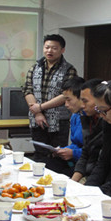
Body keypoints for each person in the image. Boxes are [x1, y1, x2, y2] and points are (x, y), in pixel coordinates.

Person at [22, 34, 77, 162]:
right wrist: (38, 113)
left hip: (59, 121)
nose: (49, 51)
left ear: (62, 50)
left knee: (57, 155)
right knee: (39, 154)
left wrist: (40, 107)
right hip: (37, 119)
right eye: (47, 47)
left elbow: (66, 95)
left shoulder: (69, 70)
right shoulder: (35, 67)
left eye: (54, 48)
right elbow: (27, 89)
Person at [46, 76, 85, 176]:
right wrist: (63, 150)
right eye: (65, 100)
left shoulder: (92, 118)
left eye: (69, 100)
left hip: (85, 162)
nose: (66, 104)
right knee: (49, 165)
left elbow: (93, 152)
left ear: (81, 98)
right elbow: (76, 143)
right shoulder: (75, 116)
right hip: (76, 158)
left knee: (62, 175)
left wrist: (73, 153)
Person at [72, 78, 105, 183]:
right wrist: (73, 182)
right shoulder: (86, 117)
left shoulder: (109, 122)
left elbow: (102, 164)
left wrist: (87, 185)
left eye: (85, 101)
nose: (82, 105)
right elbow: (85, 152)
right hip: (88, 173)